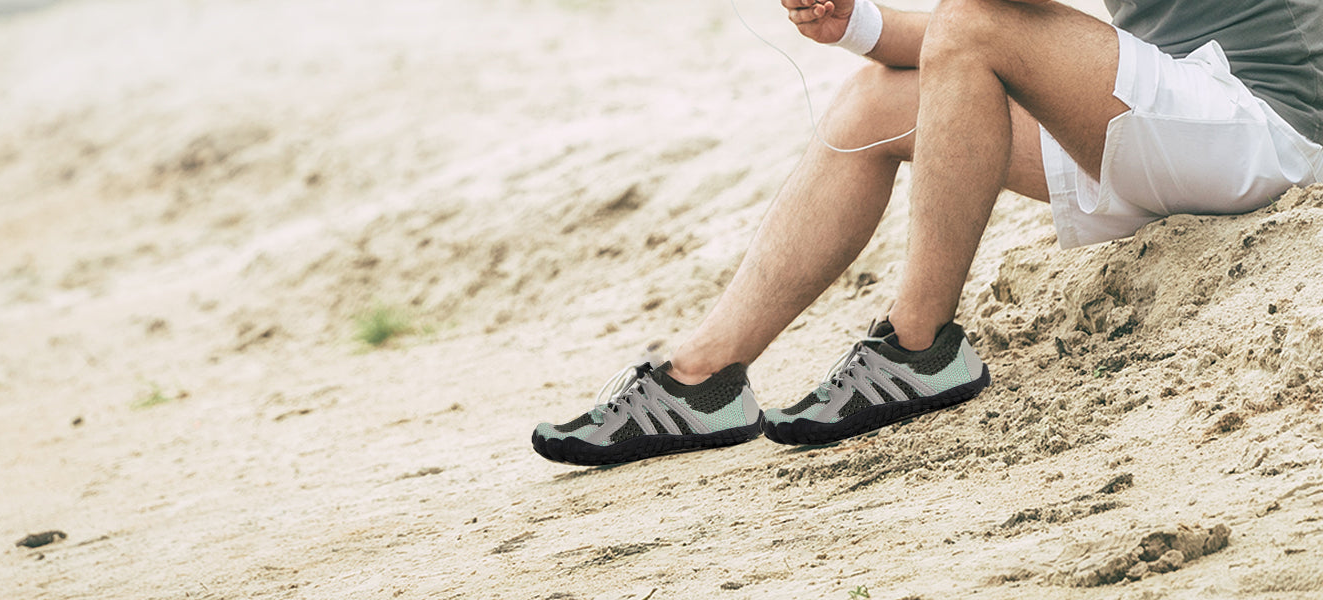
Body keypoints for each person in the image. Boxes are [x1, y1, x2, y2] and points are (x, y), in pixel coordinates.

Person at [532, 0, 1323, 466]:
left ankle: (918, 347)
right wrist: (855, 20)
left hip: (1263, 131)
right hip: (1176, 128)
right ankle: (700, 379)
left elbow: (986, 20)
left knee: (977, 24)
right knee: (874, 102)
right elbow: (972, 35)